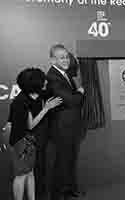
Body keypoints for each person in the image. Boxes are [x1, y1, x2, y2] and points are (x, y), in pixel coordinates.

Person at [8, 68, 62, 200]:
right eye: (43, 80)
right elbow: (30, 125)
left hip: (30, 141)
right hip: (19, 141)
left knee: (31, 173)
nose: (45, 82)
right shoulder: (21, 102)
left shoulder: (37, 95)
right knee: (21, 175)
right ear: (34, 85)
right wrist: (46, 109)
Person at [46, 44, 85, 200]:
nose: (66, 60)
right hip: (62, 127)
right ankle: (57, 195)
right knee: (62, 162)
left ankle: (68, 189)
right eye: (61, 57)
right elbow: (71, 100)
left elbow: (73, 100)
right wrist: (80, 92)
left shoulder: (65, 74)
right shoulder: (52, 77)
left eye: (67, 57)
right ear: (52, 60)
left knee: (70, 160)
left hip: (71, 126)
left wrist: (76, 96)